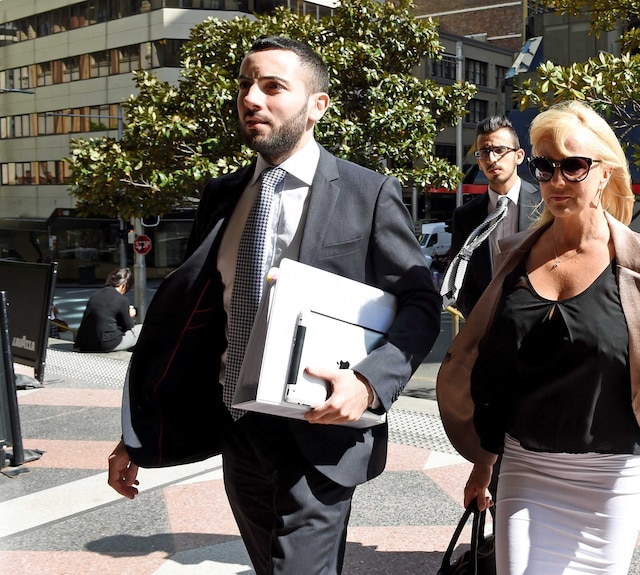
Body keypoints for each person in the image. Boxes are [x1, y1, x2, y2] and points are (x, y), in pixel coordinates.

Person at [106, 36, 440, 574]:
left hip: (319, 428)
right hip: (238, 427)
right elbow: (191, 328)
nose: (251, 98)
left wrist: (371, 381)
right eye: (244, 86)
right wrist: (138, 436)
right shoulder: (222, 197)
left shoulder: (367, 192)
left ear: (316, 106)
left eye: (272, 86)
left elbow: (421, 304)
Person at [437, 100, 640, 575]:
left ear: (604, 173)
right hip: (525, 465)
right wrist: (483, 465)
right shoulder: (513, 253)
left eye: (574, 166)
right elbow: (501, 371)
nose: (556, 181)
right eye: (545, 166)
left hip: (610, 477)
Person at [448, 115, 542, 317]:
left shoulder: (545, 204)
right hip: (487, 334)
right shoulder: (465, 216)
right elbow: (460, 280)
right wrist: (480, 321)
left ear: (519, 156)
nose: (491, 159)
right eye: (484, 153)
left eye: (499, 150)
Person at [74, 267, 141, 352]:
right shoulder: (121, 299)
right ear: (124, 285)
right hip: (106, 344)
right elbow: (128, 326)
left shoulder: (95, 295)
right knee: (140, 329)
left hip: (85, 344)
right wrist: (130, 314)